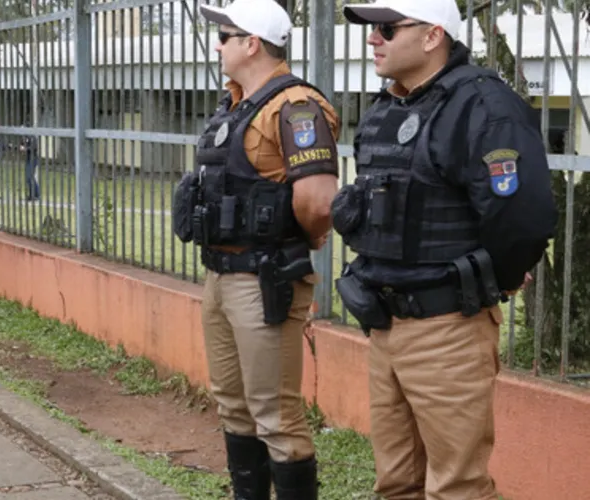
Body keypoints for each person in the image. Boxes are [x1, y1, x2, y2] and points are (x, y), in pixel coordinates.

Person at [334, 1, 558, 499]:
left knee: (457, 488)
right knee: (397, 483)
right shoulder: (388, 107)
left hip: (446, 328)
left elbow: (522, 217)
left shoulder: (483, 105)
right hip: (385, 325)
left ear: (433, 35)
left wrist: (497, 277)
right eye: (374, 30)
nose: (374, 39)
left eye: (388, 29)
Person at [173, 1, 340, 499]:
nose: (218, 44)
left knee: (275, 413)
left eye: (225, 36)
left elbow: (317, 200)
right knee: (233, 403)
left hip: (264, 279)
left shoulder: (295, 106)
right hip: (221, 275)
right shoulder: (236, 104)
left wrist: (297, 242)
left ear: (252, 43)